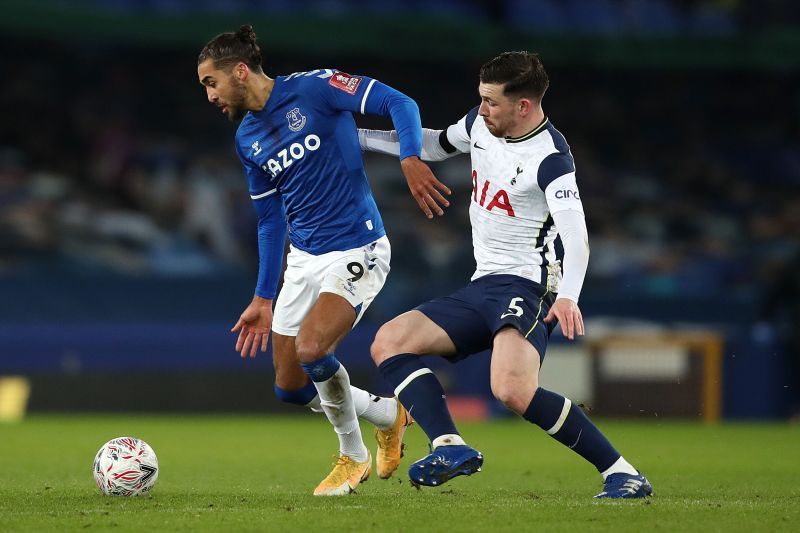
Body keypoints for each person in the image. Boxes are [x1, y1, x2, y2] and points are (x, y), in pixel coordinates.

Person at [359, 51, 653, 498]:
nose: (482, 109)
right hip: (483, 284)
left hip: (527, 287)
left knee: (512, 390)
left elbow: (577, 238)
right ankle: (449, 445)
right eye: (481, 99)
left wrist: (568, 296)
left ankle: (622, 472)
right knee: (389, 341)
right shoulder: (480, 125)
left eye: (492, 102)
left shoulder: (551, 158)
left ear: (524, 106)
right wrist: (355, 136)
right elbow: (435, 144)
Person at [197, 25, 451, 496]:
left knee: (314, 351)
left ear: (239, 71)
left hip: (359, 247)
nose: (209, 96)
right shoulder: (248, 138)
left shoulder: (315, 87)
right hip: (304, 260)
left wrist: (411, 157)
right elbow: (270, 221)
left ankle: (351, 459)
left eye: (210, 83)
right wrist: (262, 296)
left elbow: (401, 104)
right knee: (290, 387)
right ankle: (387, 413)